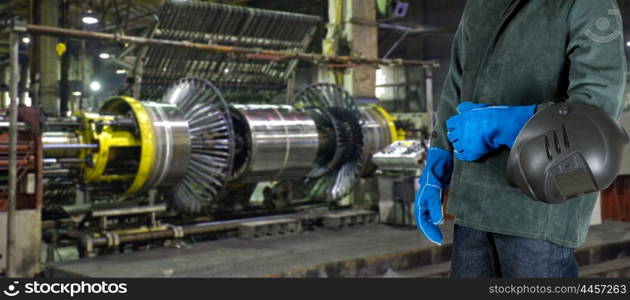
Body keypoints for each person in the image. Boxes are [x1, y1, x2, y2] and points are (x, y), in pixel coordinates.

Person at [414, 0, 626, 278]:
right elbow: (455, 88)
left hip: (538, 211)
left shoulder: (586, 4)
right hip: (472, 206)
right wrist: (436, 168)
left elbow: (597, 112)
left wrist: (507, 124)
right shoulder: (479, 6)